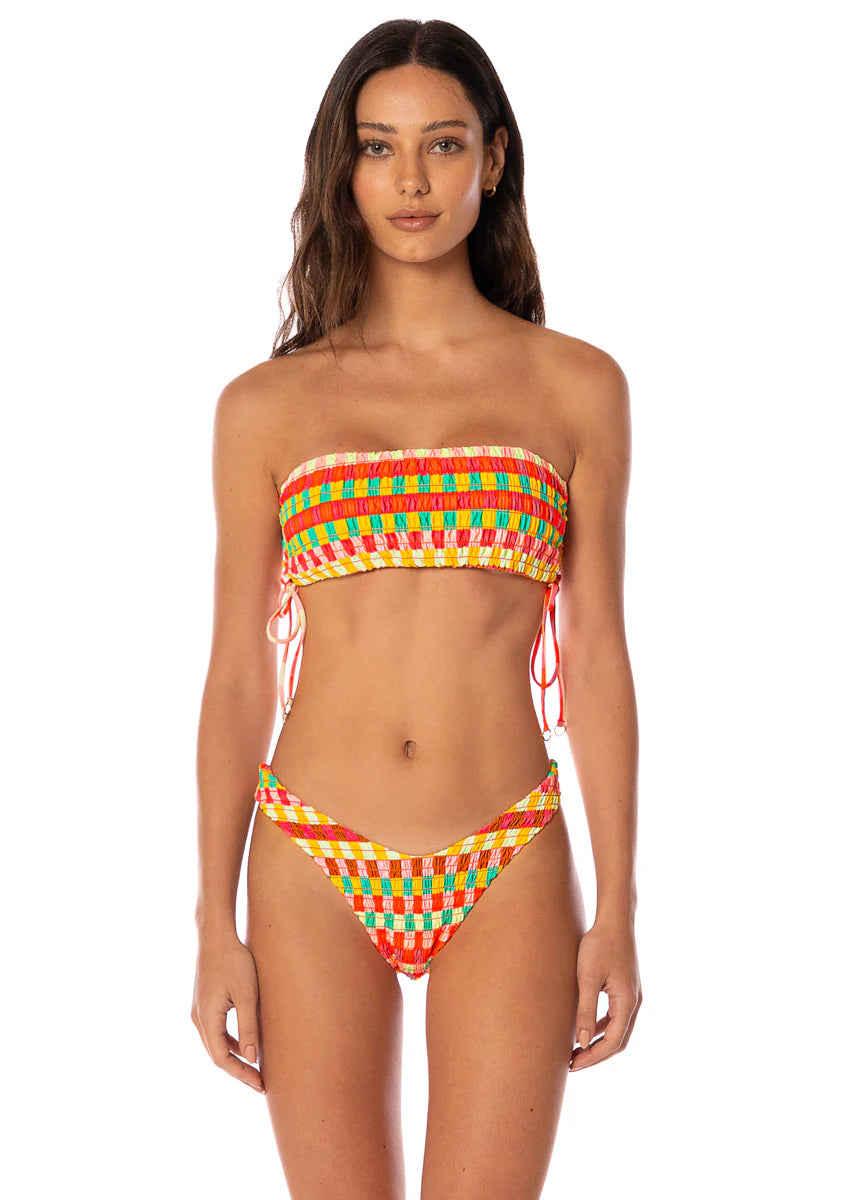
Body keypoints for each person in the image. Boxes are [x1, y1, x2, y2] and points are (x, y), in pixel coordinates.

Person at [191, 17, 641, 1198]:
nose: (409, 180)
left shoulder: (576, 388)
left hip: (505, 851)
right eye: (377, 146)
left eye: (441, 144)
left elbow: (596, 658)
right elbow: (236, 671)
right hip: (311, 856)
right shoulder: (265, 408)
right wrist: (211, 923)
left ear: (491, 158)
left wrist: (619, 910)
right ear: (342, 169)